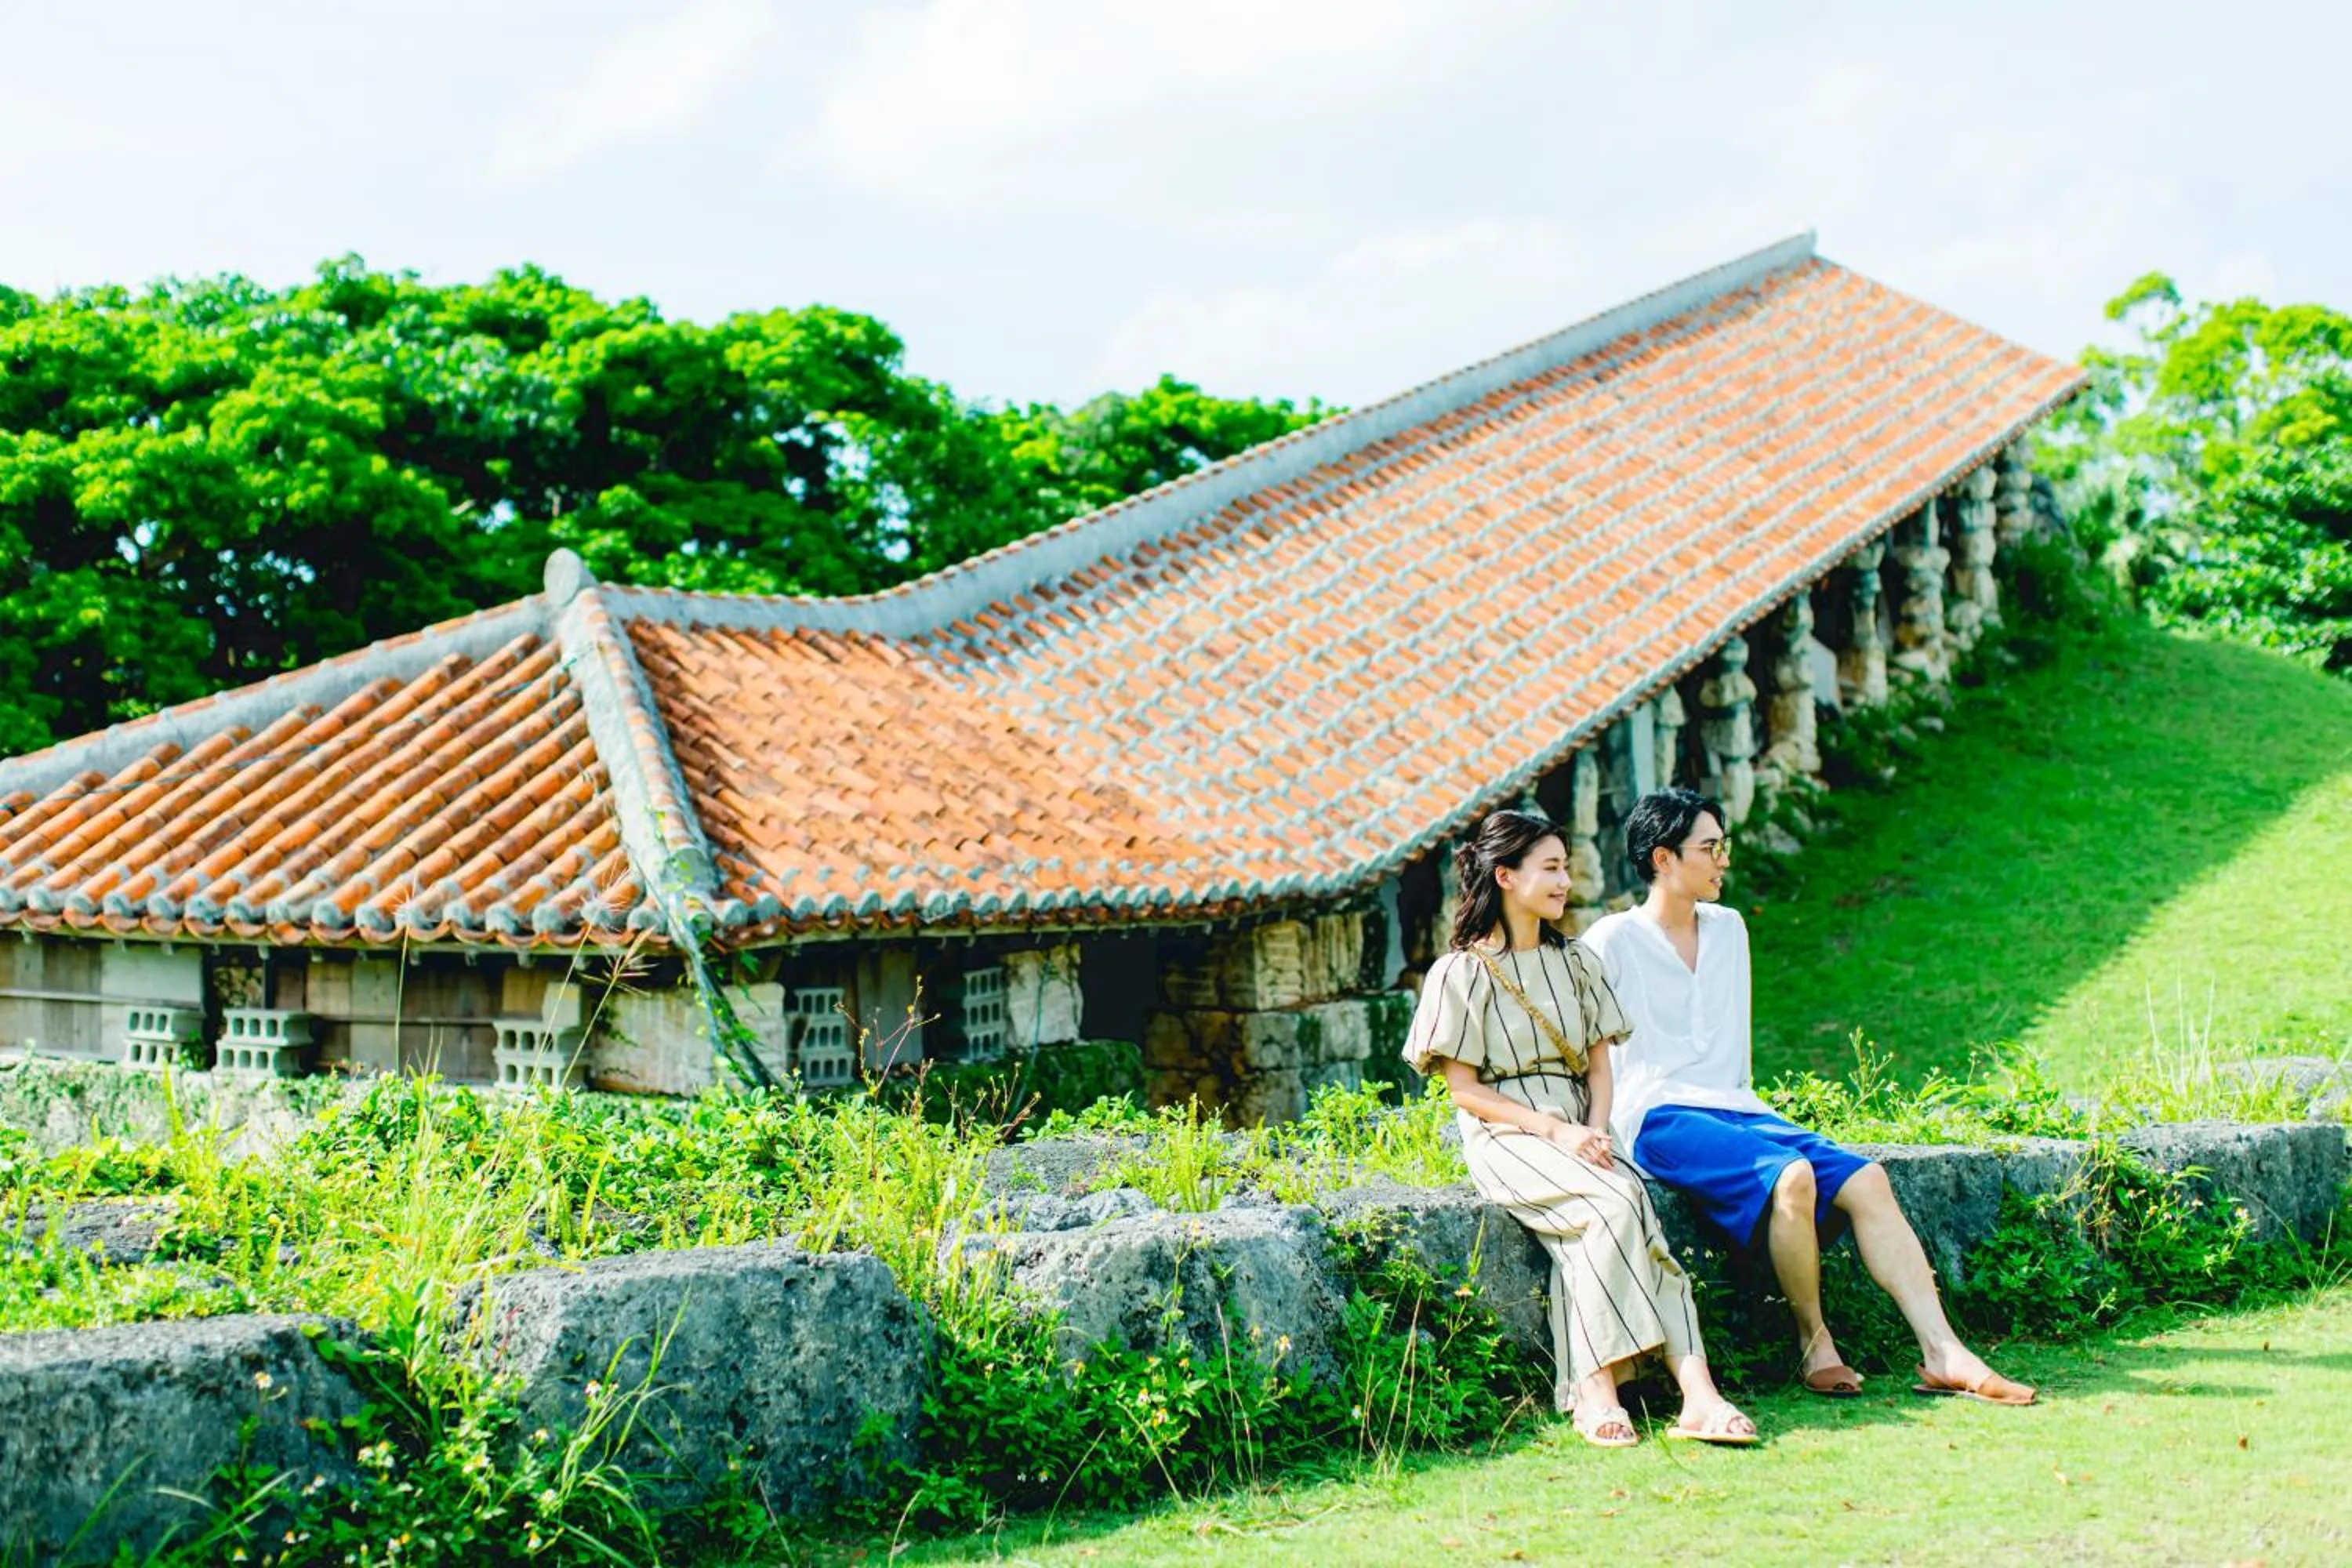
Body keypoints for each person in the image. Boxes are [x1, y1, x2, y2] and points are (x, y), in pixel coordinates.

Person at [1581, 787, 2036, 1406]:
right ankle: (1813, 1340)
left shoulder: (1729, 929)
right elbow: (1588, 1047)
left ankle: (1943, 1350)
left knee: (1868, 1179)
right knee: (1792, 1176)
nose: (1723, 861)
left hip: (1737, 1108)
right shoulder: (1612, 940)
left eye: (1724, 846)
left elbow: (1729, 1061)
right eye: (1709, 848)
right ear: (1663, 858)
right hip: (1659, 1116)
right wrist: (1588, 1128)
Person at [1403, 808, 1759, 1447]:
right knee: (1615, 1202)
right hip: (1508, 1134)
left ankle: (1696, 1395)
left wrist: (1595, 1131)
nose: (1566, 881)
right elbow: (1464, 1090)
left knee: (1633, 1214)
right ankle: (1598, 1387)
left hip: (1580, 1126)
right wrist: (1557, 1132)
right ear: (1505, 876)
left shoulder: (1577, 961)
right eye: (1551, 868)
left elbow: (1601, 1067)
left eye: (1566, 867)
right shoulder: (1461, 973)